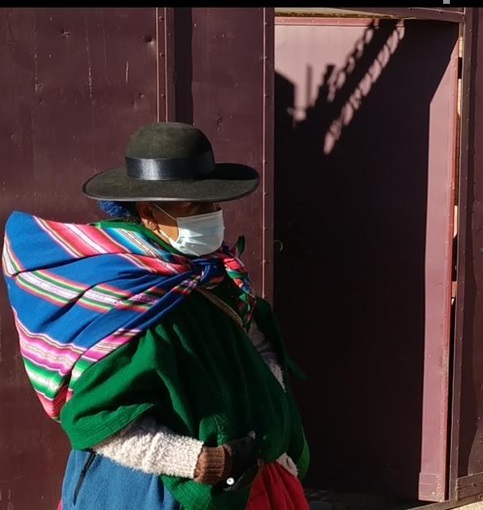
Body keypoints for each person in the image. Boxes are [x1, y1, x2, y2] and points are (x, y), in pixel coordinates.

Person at [2, 122, 311, 509]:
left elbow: (250, 335)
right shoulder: (124, 296)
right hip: (154, 490)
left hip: (248, 476)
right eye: (193, 206)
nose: (211, 214)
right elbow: (99, 420)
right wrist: (199, 461)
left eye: (213, 203)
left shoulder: (210, 271)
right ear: (148, 212)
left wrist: (266, 399)